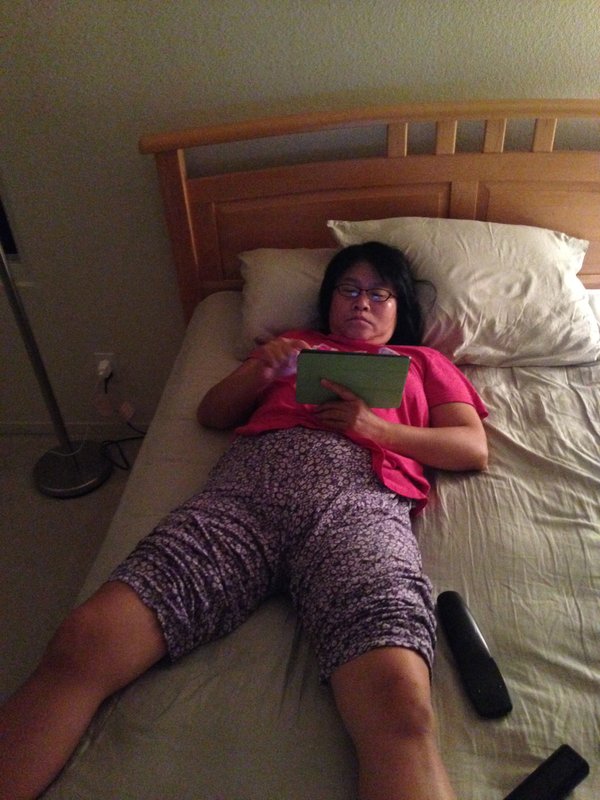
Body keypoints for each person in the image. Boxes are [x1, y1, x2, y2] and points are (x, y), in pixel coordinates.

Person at [0, 242, 488, 800]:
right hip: (244, 498)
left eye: (380, 294)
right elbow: (212, 413)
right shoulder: (294, 347)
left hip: (361, 509)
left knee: (400, 708)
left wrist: (377, 430)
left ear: (401, 308)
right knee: (83, 642)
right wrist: (262, 370)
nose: (362, 303)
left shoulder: (424, 363)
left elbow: (471, 449)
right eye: (349, 290)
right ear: (329, 301)